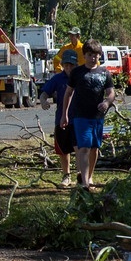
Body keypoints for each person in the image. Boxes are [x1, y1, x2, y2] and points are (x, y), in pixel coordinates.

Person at [61, 39, 115, 190]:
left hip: (97, 117)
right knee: (83, 147)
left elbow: (111, 93)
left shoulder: (104, 73)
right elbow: (68, 93)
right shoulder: (77, 73)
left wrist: (106, 102)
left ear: (100, 56)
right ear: (84, 55)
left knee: (94, 148)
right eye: (90, 55)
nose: (93, 58)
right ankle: (84, 182)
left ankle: (89, 176)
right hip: (80, 116)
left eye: (96, 55)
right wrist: (64, 114)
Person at [38, 49, 77, 188]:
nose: (69, 68)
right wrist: (43, 101)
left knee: (79, 148)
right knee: (63, 150)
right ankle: (66, 176)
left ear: (76, 65)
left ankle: (81, 175)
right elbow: (44, 93)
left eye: (71, 65)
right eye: (66, 65)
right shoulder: (57, 78)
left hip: (78, 119)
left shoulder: (81, 78)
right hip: (62, 119)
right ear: (62, 65)